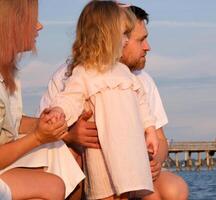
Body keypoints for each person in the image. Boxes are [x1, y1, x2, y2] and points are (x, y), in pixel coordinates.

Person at [39, 4, 189, 200]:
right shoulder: (79, 73)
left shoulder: (131, 75)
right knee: (106, 192)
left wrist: (151, 132)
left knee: (147, 191)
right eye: (138, 39)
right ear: (106, 38)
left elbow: (143, 105)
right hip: (97, 157)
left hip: (128, 154)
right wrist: (66, 127)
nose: (148, 47)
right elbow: (69, 100)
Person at [0, 0, 85, 199]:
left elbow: (11, 122)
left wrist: (45, 125)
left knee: (63, 152)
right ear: (11, 23)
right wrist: (38, 136)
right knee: (52, 186)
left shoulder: (7, 70)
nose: (39, 25)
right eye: (32, 19)